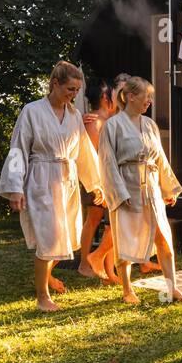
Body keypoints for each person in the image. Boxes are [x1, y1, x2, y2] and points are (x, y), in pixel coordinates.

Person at [0, 60, 104, 312]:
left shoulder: (74, 115)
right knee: (49, 238)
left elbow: (84, 152)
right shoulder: (32, 111)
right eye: (70, 89)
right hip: (41, 180)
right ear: (55, 84)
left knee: (65, 237)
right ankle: (42, 296)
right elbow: (18, 149)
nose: (73, 95)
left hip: (66, 180)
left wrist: (96, 184)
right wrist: (15, 187)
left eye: (77, 91)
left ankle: (46, 277)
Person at [98, 75, 182, 305]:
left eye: (151, 97)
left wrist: (169, 188)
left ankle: (172, 288)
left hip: (151, 189)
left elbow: (160, 159)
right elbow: (107, 162)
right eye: (146, 96)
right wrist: (119, 193)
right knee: (125, 239)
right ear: (130, 96)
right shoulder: (112, 125)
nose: (149, 101)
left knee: (164, 239)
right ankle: (127, 290)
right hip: (127, 189)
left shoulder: (150, 125)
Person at [77, 77, 121, 283]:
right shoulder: (93, 121)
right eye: (113, 94)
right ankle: (84, 263)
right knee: (93, 220)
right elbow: (94, 156)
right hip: (96, 180)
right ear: (105, 98)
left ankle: (109, 271)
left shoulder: (108, 120)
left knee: (111, 224)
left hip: (109, 180)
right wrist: (99, 186)